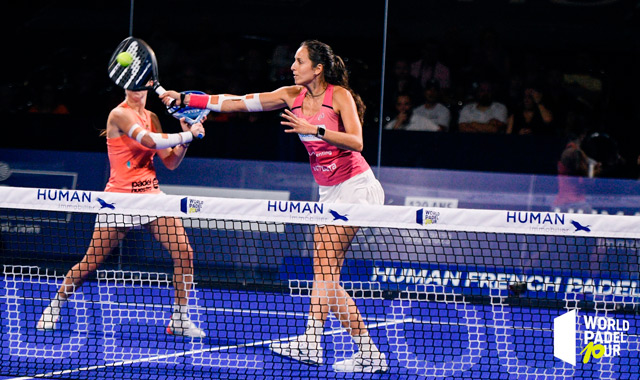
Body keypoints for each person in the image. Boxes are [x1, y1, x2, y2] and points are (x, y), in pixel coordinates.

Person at [160, 39, 388, 373]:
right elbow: (237, 103)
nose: (292, 66)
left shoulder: (339, 96)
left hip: (356, 187)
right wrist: (186, 98)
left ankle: (312, 340)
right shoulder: (290, 95)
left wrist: (315, 129)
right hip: (329, 192)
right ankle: (367, 351)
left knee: (324, 269)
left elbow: (357, 140)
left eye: (299, 61)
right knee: (327, 277)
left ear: (318, 67)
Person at [37, 88, 207, 338]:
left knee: (184, 252)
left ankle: (179, 319)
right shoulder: (119, 114)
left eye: (139, 85)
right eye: (130, 86)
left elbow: (170, 162)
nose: (134, 90)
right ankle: (56, 304)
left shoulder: (152, 117)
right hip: (119, 201)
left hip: (151, 197)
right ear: (124, 87)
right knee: (90, 263)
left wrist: (187, 141)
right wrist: (186, 133)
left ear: (147, 87)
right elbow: (149, 141)